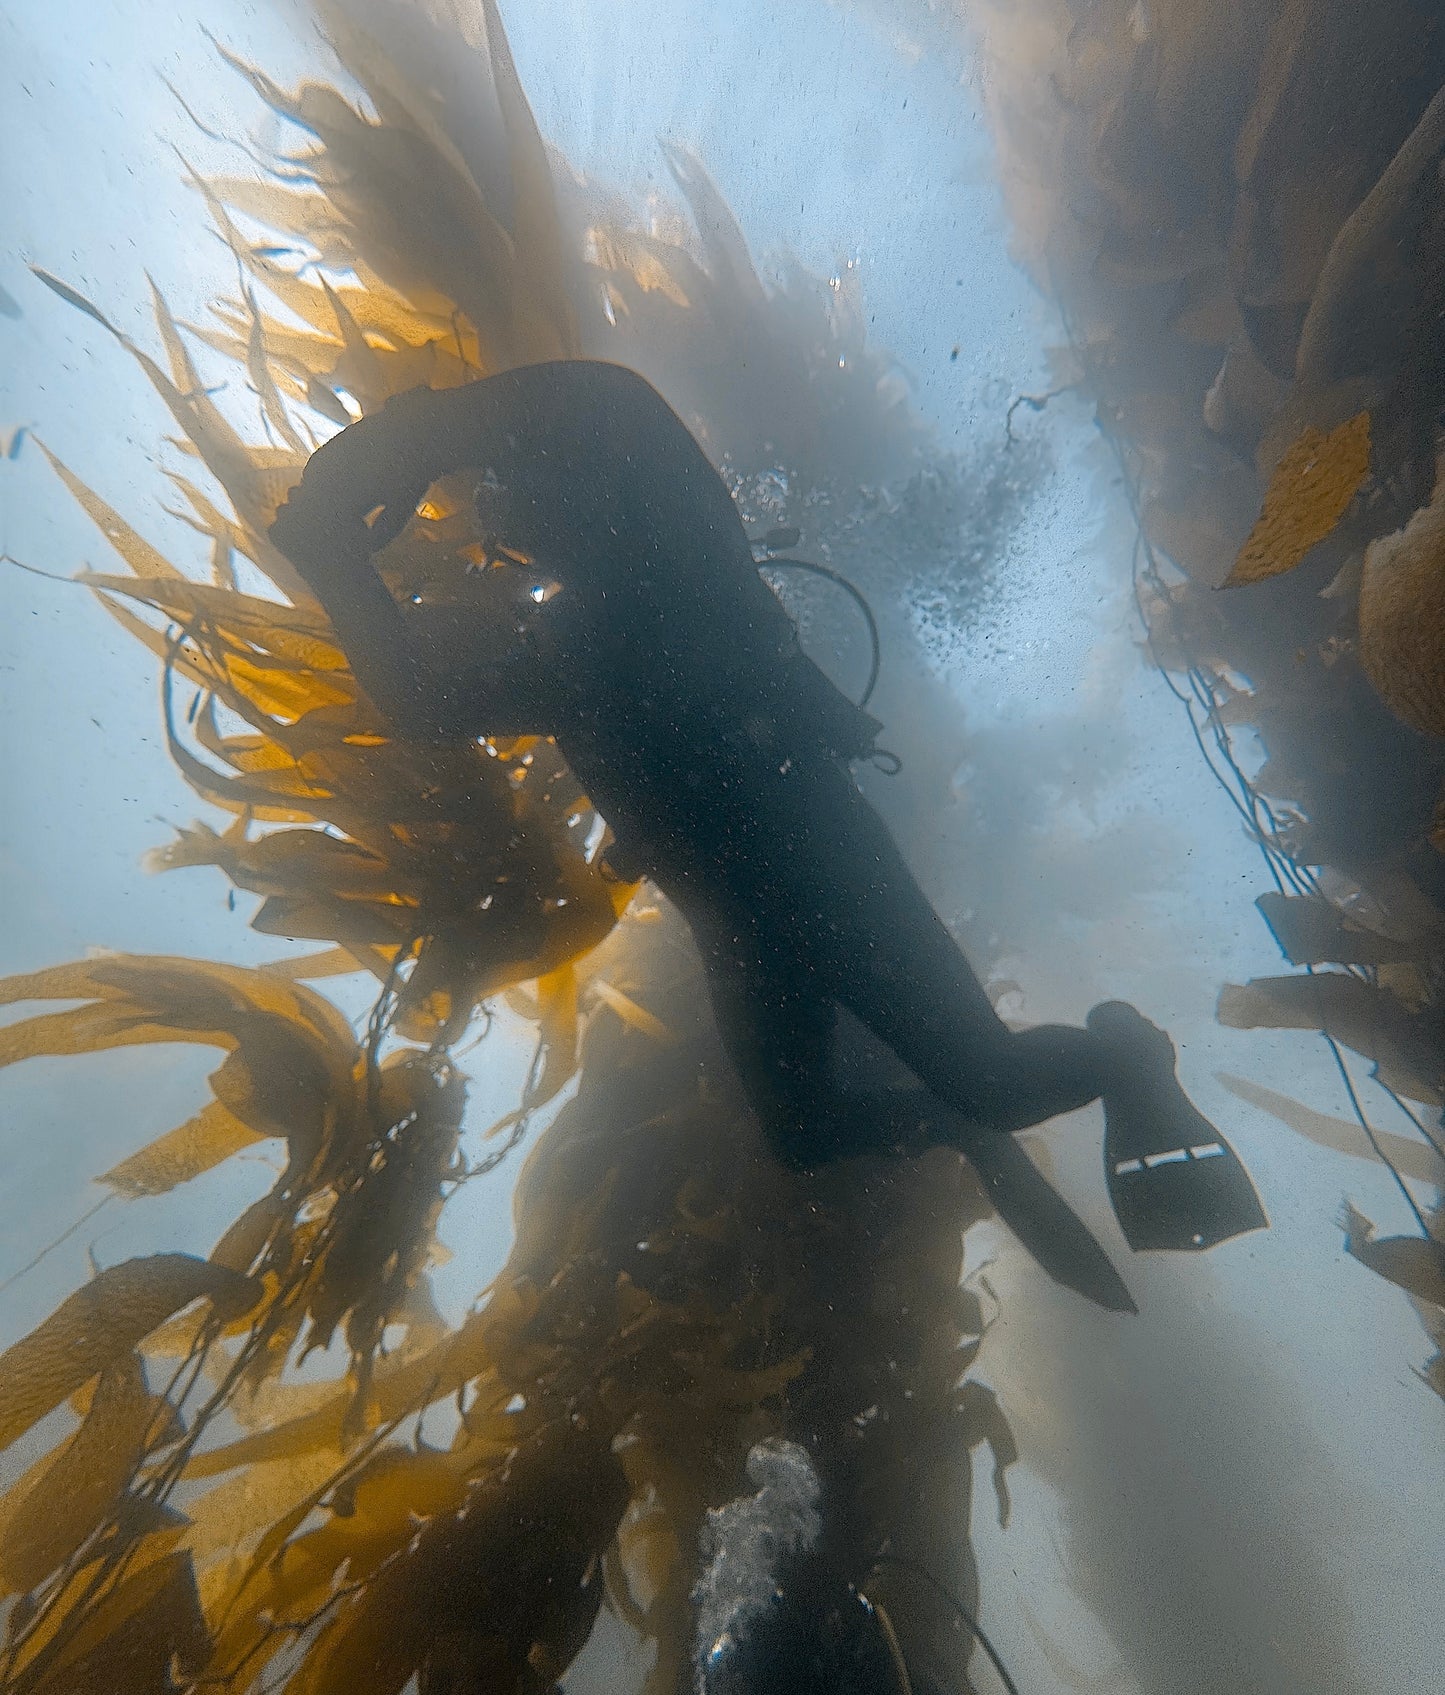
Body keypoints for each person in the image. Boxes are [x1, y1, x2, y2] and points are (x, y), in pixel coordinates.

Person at [271, 360, 1264, 1289]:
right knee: (804, 1131)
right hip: (738, 921)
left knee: (995, 1079)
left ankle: (1122, 1055)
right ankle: (964, 1131)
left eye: (510, 491)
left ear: (572, 497)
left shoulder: (686, 557)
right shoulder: (564, 650)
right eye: (496, 509)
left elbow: (605, 405)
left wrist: (409, 439)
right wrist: (335, 565)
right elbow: (422, 704)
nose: (497, 515)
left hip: (827, 867)